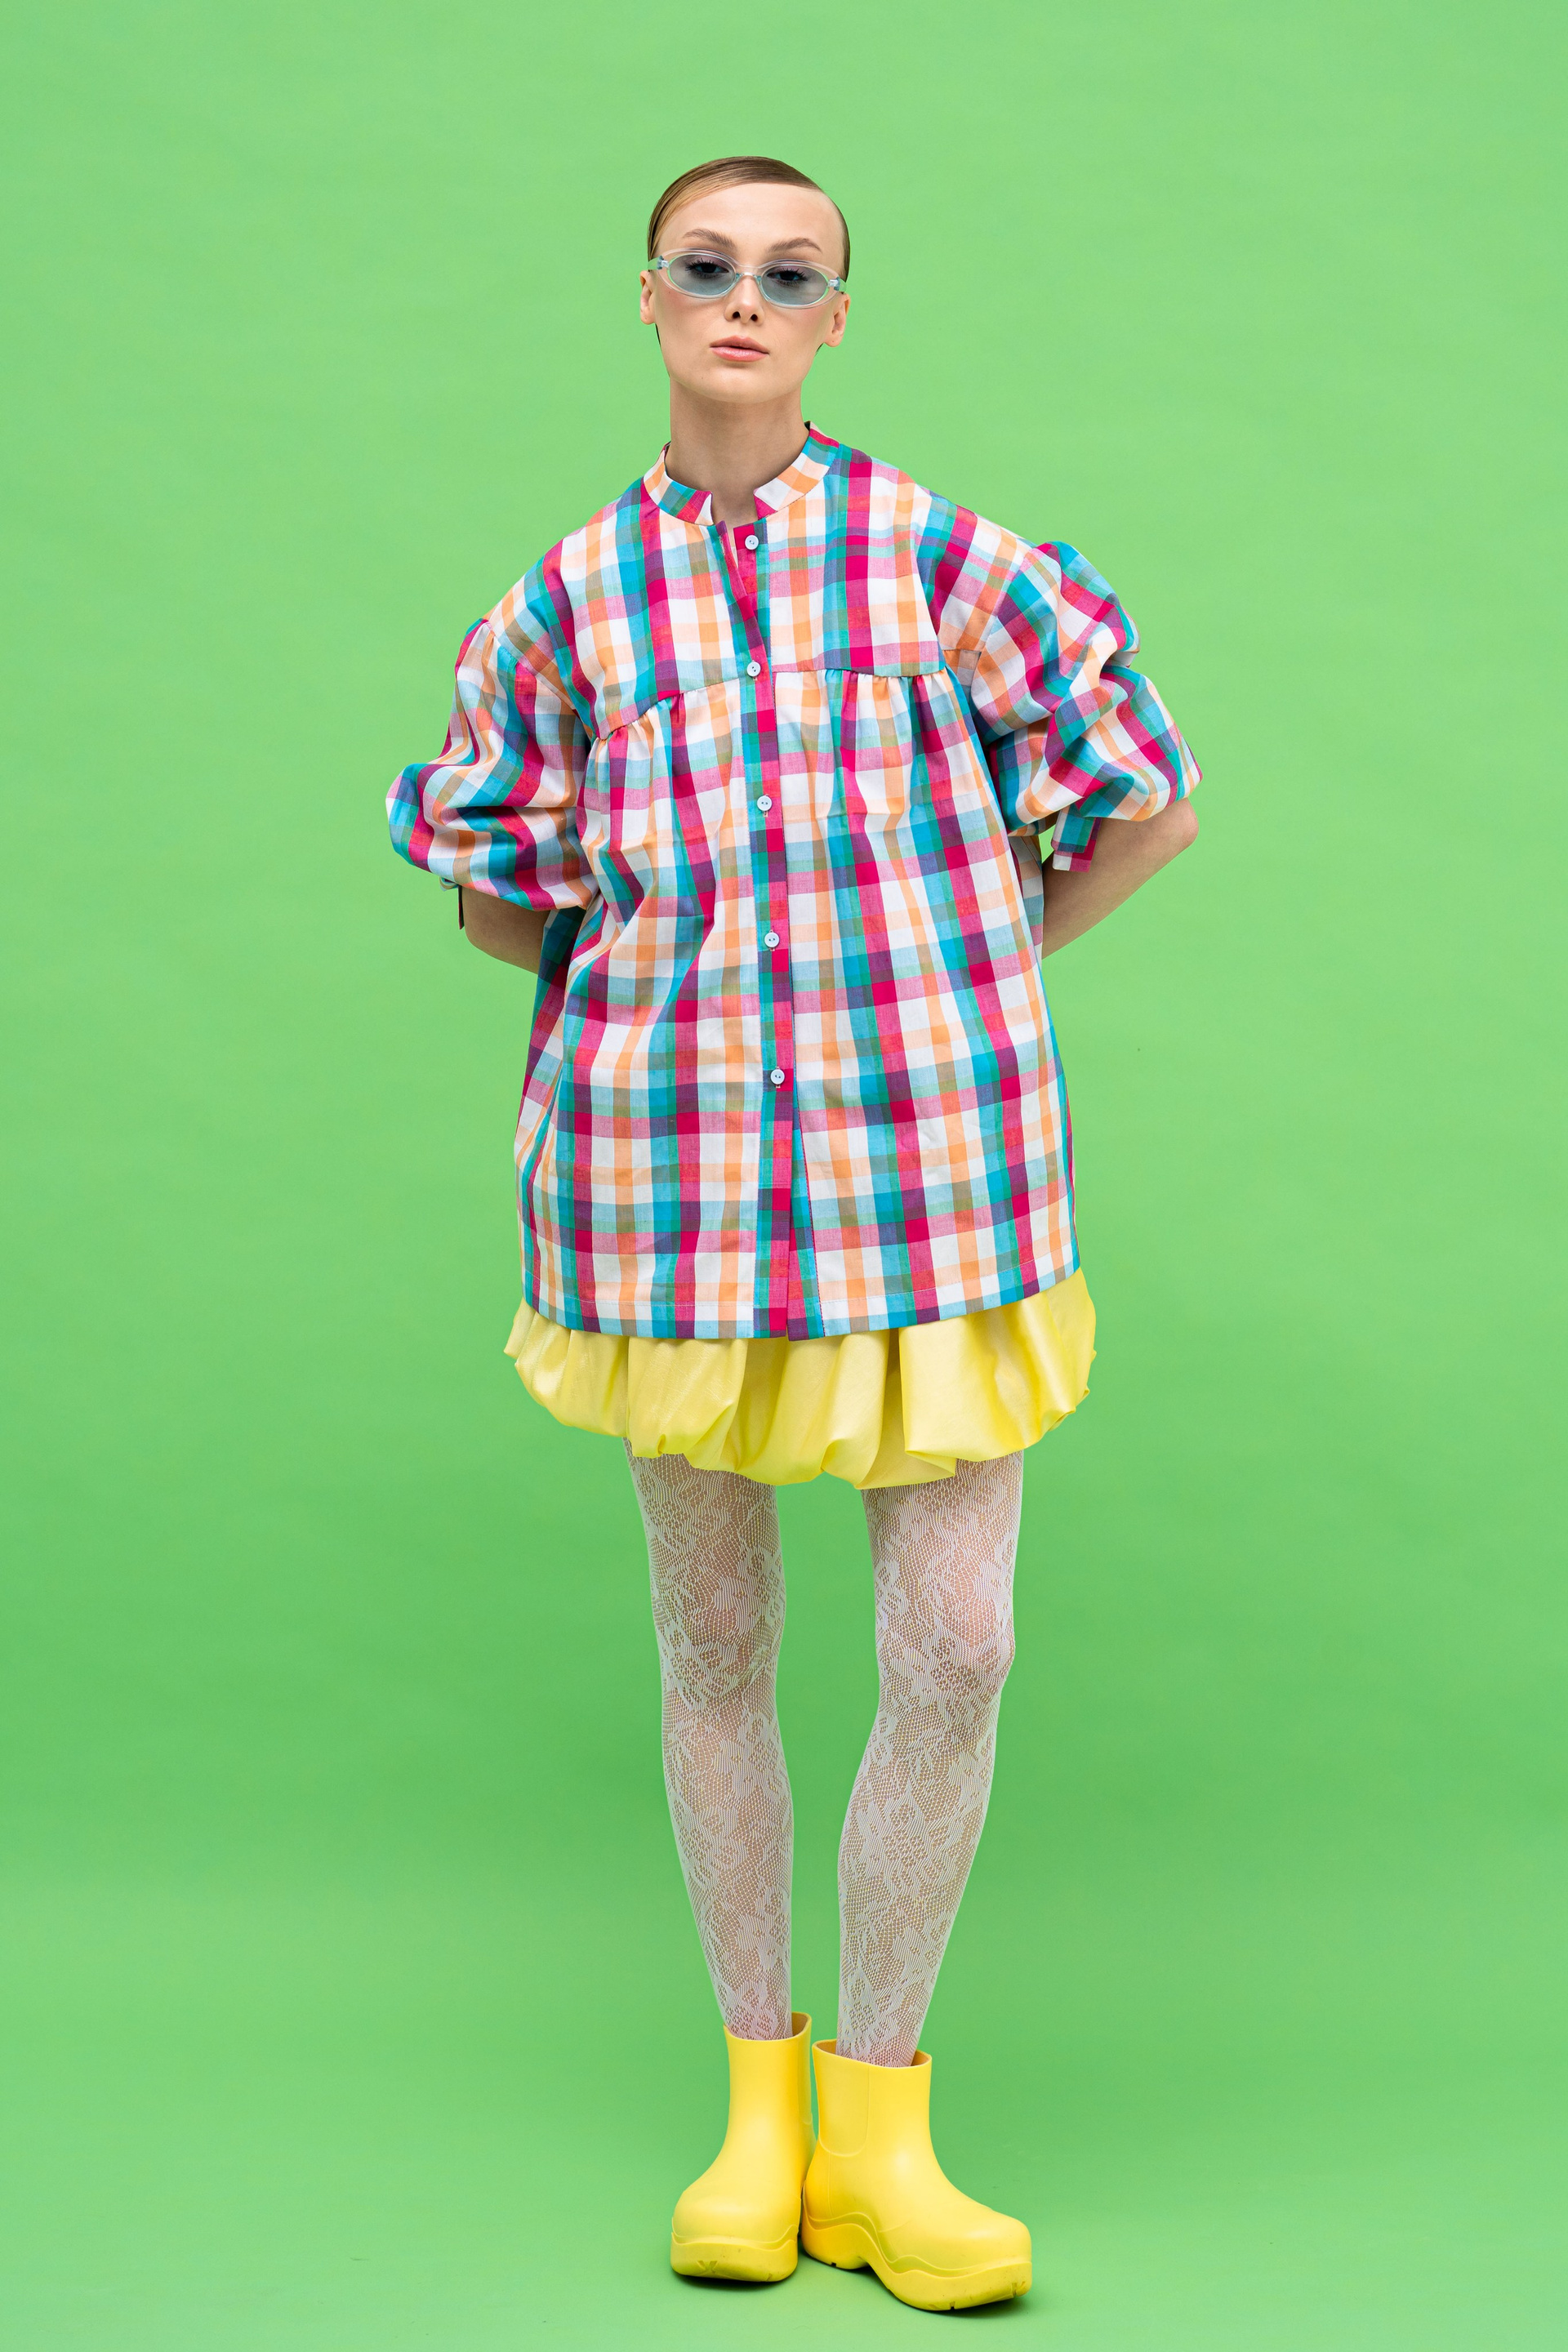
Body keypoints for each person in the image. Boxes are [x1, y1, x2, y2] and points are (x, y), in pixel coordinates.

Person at [389, 154, 1197, 2314]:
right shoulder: (567, 601)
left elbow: (1141, 792)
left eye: (791, 272)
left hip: (941, 1181)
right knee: (715, 1649)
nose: (744, 297)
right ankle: (758, 2121)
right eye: (708, 265)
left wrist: (969, 963)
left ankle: (882, 2127)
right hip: (663, 1198)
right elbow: (497, 886)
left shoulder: (937, 556)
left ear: (837, 317)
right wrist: (652, 1000)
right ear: (651, 300)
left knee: (958, 1645)